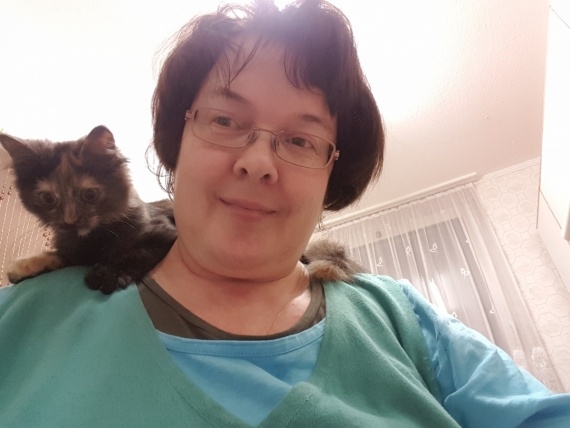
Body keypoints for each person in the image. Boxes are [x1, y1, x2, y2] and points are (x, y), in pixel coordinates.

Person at [1, 0, 569, 426]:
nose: (257, 162)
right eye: (225, 121)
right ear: (178, 142)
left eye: (300, 140)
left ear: (330, 178)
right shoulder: (22, 321)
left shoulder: (403, 320)